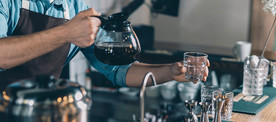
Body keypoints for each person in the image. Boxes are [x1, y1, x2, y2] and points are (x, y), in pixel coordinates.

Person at [0, 0, 209, 90]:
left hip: (40, 117)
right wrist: (65, 33)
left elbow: (118, 70)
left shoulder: (74, 8)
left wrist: (170, 72)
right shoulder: (8, 4)